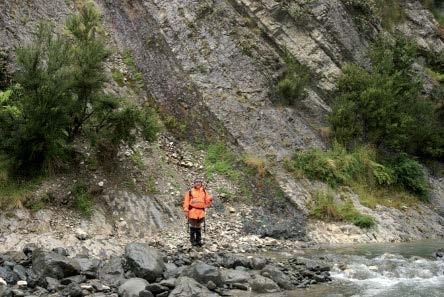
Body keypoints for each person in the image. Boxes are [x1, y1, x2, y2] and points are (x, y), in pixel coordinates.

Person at [183, 178, 213, 246]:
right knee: (193, 226)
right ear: (194, 183)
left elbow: (207, 201)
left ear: (201, 183)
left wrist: (210, 199)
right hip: (192, 211)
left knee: (199, 226)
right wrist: (186, 211)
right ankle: (192, 240)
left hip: (201, 212)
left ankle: (198, 240)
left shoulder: (204, 192)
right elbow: (186, 202)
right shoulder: (190, 192)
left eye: (199, 182)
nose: (198, 183)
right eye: (196, 182)